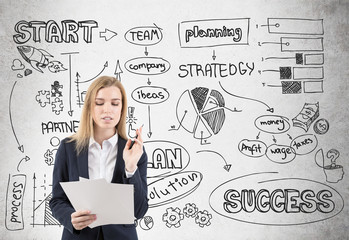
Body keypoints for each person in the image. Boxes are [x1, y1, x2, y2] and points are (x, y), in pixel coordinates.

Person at [50, 76, 148, 240]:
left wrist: (131, 168)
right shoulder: (68, 148)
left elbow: (139, 211)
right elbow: (57, 200)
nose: (107, 110)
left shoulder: (135, 151)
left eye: (115, 103)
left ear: (122, 109)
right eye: (99, 103)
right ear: (89, 107)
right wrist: (70, 218)